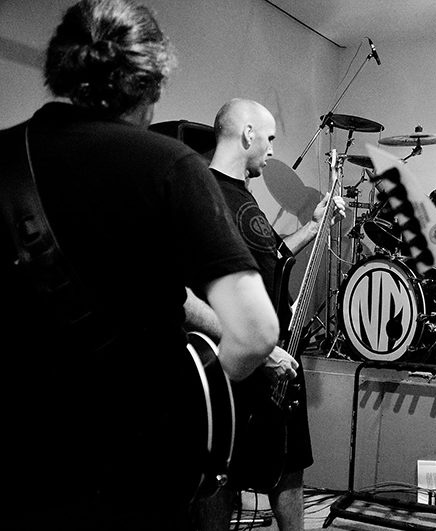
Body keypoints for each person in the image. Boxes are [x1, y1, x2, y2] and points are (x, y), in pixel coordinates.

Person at [0, 2, 281, 530]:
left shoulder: (5, 158)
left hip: (22, 462)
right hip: (138, 465)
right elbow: (257, 330)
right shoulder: (170, 165)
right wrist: (198, 395)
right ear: (153, 80)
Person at [186, 98, 345, 531]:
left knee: (289, 463)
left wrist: (314, 225)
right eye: (269, 138)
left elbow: (273, 254)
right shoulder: (202, 192)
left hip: (276, 359)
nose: (272, 149)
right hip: (234, 365)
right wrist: (259, 349)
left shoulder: (243, 197)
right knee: (222, 474)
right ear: (248, 134)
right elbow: (182, 293)